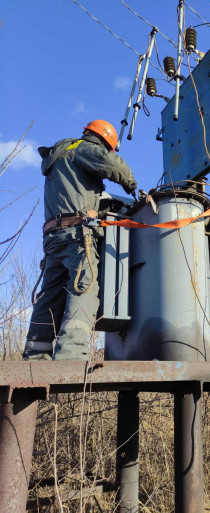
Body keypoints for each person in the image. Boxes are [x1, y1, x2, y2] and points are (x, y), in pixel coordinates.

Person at [23, 120, 136, 361]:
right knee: (84, 287)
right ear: (103, 141)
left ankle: (35, 354)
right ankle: (71, 355)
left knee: (51, 294)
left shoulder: (59, 156)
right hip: (77, 236)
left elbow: (74, 196)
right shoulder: (84, 148)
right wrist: (131, 183)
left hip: (54, 237)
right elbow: (111, 164)